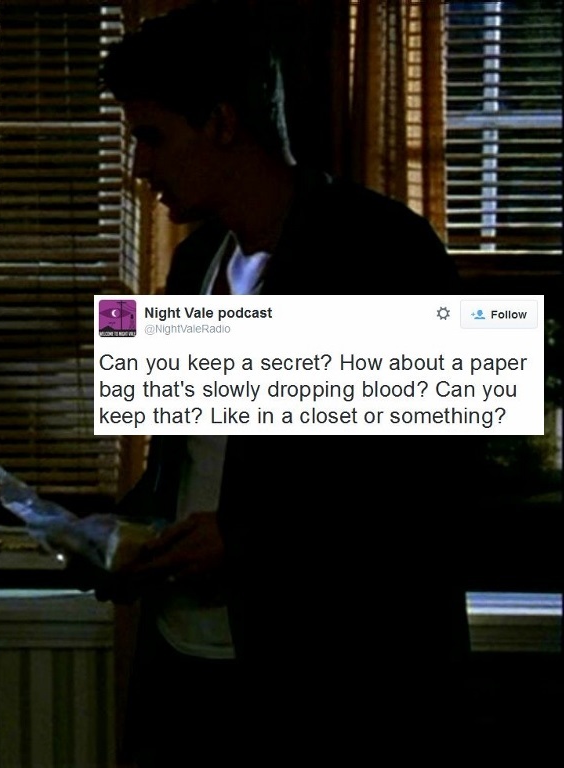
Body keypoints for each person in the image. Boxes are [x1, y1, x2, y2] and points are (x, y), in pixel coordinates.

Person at [90, 2, 473, 762]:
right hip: (187, 663)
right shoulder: (194, 266)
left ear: (222, 123)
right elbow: (183, 462)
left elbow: (431, 488)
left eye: (152, 136)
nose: (139, 168)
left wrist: (247, 543)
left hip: (330, 681)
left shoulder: (383, 253)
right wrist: (116, 537)